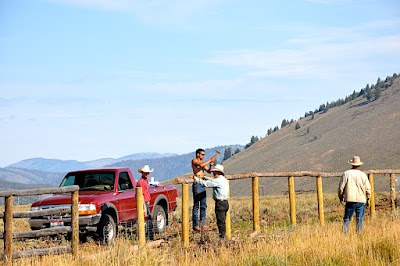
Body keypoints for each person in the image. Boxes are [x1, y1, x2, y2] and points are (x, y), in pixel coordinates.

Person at [194, 164, 229, 238]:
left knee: (220, 222)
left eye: (215, 172)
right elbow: (212, 180)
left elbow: (206, 184)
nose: (213, 173)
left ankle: (223, 238)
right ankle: (223, 236)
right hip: (225, 203)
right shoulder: (223, 179)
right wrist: (205, 177)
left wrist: (197, 179)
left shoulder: (218, 181)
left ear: (219, 173)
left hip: (220, 203)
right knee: (223, 221)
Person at [338, 156, 371, 234]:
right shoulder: (363, 175)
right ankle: (359, 235)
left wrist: (341, 196)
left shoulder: (346, 173)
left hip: (350, 199)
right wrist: (368, 198)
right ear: (359, 165)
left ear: (352, 164)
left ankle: (345, 235)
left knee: (347, 219)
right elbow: (368, 188)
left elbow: (341, 188)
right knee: (359, 219)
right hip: (361, 199)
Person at [191, 148, 216, 231]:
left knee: (203, 205)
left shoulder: (202, 162)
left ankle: (203, 225)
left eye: (204, 154)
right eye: (202, 154)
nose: (203, 156)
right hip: (197, 183)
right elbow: (201, 165)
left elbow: (209, 171)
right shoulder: (194, 160)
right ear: (198, 154)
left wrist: (211, 164)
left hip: (202, 182)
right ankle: (196, 225)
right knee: (196, 205)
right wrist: (210, 160)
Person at [137, 165, 154, 240]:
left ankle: (148, 236)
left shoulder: (145, 180)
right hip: (143, 203)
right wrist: (144, 207)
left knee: (147, 220)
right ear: (143, 173)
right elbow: (141, 196)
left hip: (146, 202)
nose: (147, 174)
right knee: (148, 219)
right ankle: (150, 237)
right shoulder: (141, 182)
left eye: (148, 173)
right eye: (146, 173)